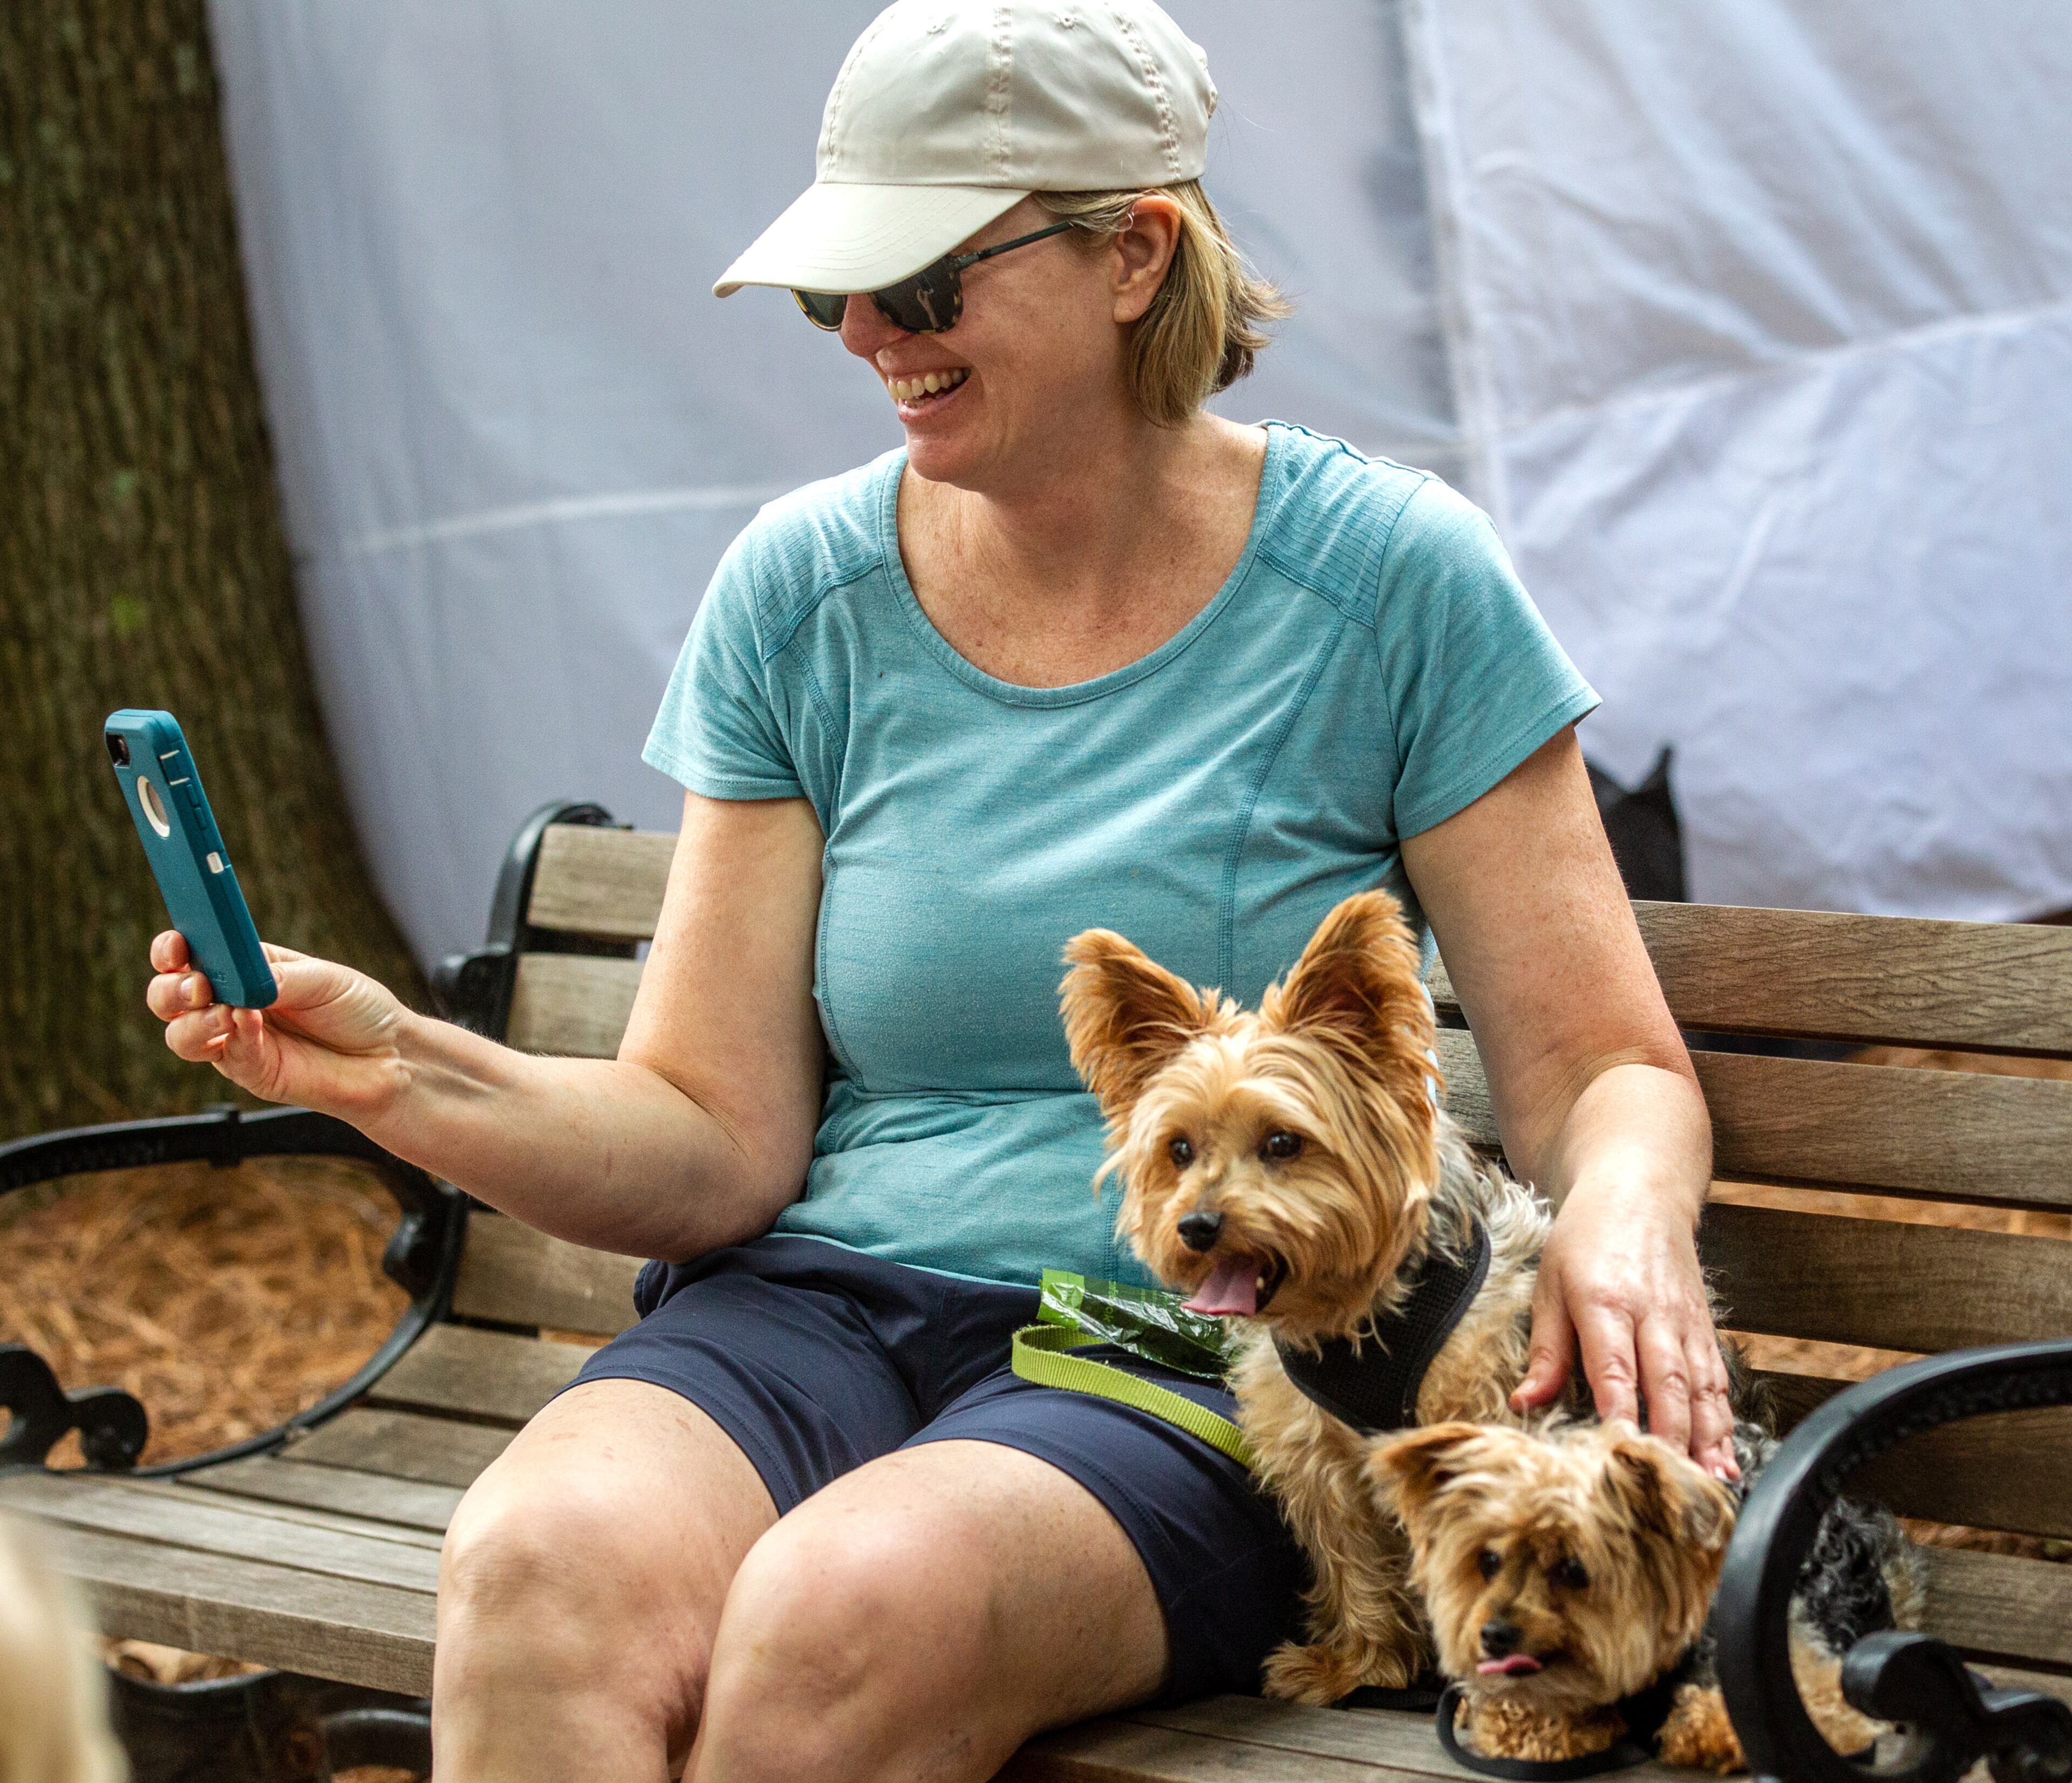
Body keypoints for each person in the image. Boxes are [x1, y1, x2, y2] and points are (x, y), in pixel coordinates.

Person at [146, 4, 1732, 1778]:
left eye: (922, 281)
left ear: (1135, 254)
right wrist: (401, 1072)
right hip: (815, 1306)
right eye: (840, 291)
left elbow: (1609, 1068)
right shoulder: (803, 592)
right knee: (533, 1573)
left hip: (1187, 1353)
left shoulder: (1389, 584)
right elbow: (706, 1134)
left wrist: (1629, 1211)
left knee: (841, 1623)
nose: (869, 335)